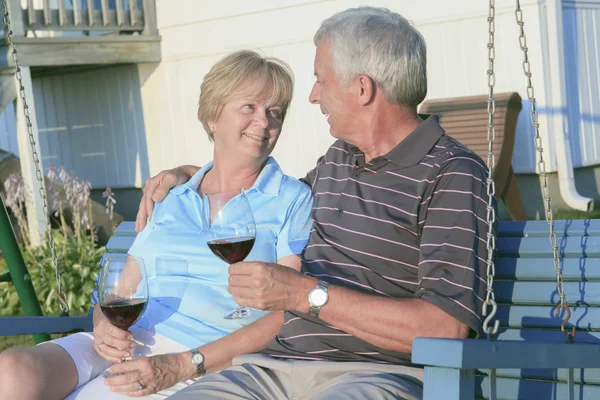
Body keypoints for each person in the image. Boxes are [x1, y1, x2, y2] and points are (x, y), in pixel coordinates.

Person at [135, 6, 497, 400]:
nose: (312, 96)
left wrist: (305, 295)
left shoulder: (454, 173)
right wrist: (187, 173)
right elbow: (262, 191)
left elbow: (445, 327)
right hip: (271, 371)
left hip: (374, 375)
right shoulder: (339, 159)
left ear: (362, 89)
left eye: (321, 81)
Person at [0, 50, 314, 400]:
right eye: (249, 107)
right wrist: (103, 323)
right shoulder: (173, 195)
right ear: (212, 117)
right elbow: (121, 290)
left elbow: (290, 311)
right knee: (10, 373)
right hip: (128, 341)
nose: (264, 122)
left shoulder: (291, 199)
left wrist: (184, 362)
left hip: (206, 359)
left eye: (275, 112)